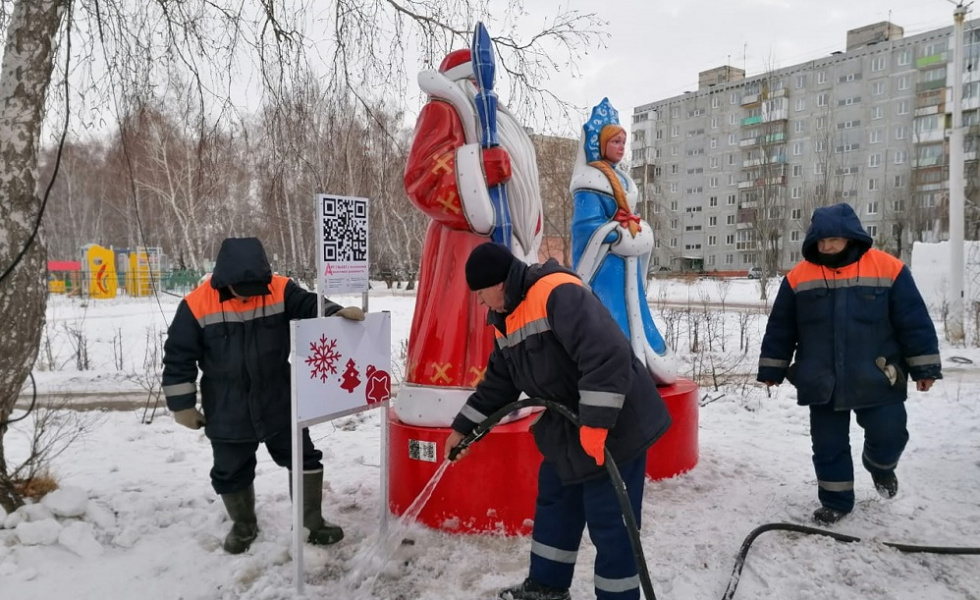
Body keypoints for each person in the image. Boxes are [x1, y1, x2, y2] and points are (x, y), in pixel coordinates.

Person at [445, 242, 672, 600]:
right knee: (556, 504)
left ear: (499, 283)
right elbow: (499, 384)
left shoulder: (556, 292)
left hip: (616, 421)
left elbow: (606, 355)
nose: (480, 302)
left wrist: (596, 424)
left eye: (480, 293)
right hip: (569, 422)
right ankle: (547, 587)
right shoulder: (505, 319)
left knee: (612, 524)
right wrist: (464, 429)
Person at [161, 237, 365, 554]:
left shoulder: (279, 288)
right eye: (244, 289)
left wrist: (334, 311)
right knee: (230, 471)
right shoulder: (196, 305)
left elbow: (308, 304)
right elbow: (178, 357)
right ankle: (244, 526)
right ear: (225, 281)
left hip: (278, 400)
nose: (252, 294)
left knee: (304, 458)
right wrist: (182, 406)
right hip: (227, 408)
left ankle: (311, 522)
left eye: (257, 287)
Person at [757, 203, 941, 525]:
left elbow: (913, 322)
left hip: (877, 375)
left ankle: (880, 465)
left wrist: (924, 368)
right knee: (828, 446)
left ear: (851, 236)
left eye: (834, 240)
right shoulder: (799, 277)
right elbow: (782, 327)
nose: (827, 247)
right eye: (821, 240)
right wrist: (773, 368)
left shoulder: (889, 269)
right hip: (821, 380)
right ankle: (836, 501)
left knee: (890, 434)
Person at [400, 46, 543, 427]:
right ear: (463, 80)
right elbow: (421, 177)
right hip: (460, 245)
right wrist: (479, 167)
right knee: (462, 314)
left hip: (505, 244)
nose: (485, 86)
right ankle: (458, 390)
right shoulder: (444, 108)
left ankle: (509, 384)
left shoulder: (492, 116)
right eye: (478, 79)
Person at [570, 98, 677, 386]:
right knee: (609, 315)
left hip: (628, 267)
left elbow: (629, 216)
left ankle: (642, 357)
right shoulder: (589, 180)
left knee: (635, 312)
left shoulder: (624, 178)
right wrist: (615, 235)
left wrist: (639, 231)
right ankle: (611, 362)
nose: (621, 147)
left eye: (623, 142)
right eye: (615, 142)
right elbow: (585, 227)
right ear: (602, 144)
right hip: (604, 269)